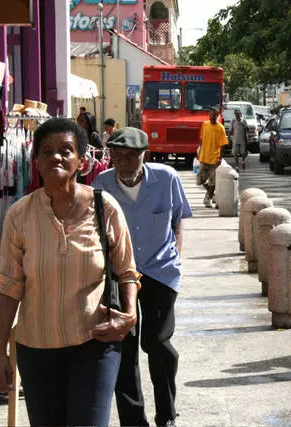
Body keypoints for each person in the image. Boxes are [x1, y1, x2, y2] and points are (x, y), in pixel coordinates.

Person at [0, 118, 141, 426]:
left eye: (65, 150)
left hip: (95, 343)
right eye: (46, 151)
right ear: (36, 162)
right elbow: (8, 288)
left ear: (82, 161)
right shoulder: (20, 215)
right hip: (36, 348)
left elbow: (126, 271)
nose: (55, 157)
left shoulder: (104, 207)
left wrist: (128, 315)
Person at [93, 128, 192, 427]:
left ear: (144, 155)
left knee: (157, 343)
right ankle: (134, 421)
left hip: (160, 271)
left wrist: (176, 255)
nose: (123, 163)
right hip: (119, 274)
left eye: (130, 157)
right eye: (117, 156)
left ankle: (166, 414)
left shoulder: (167, 178)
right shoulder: (101, 184)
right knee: (124, 347)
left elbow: (177, 220)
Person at [198, 107, 228, 208]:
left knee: (213, 182)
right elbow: (202, 139)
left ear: (218, 115)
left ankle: (209, 198)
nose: (213, 117)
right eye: (211, 114)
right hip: (203, 157)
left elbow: (223, 145)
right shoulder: (205, 125)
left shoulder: (221, 128)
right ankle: (212, 194)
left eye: (215, 115)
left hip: (214, 159)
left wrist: (220, 158)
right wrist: (199, 150)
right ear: (208, 114)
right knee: (201, 180)